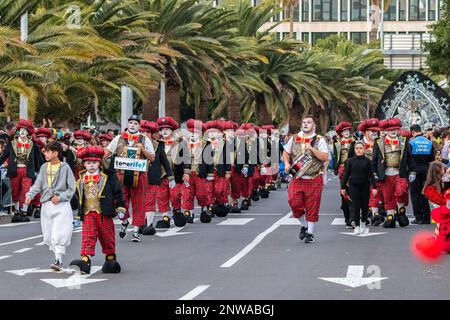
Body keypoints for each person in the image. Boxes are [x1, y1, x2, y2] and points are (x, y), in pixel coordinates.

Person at [69, 146, 125, 274]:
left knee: (107, 237)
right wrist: (78, 216)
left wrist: (120, 208)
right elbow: (79, 199)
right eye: (88, 163)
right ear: (84, 164)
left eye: (94, 162)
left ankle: (110, 259)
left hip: (105, 212)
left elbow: (118, 192)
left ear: (99, 163)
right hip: (88, 213)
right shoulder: (80, 179)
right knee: (87, 236)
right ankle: (85, 260)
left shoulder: (108, 176)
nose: (91, 165)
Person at [25, 141, 76, 271]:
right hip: (47, 205)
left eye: (47, 151)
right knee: (48, 234)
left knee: (59, 233)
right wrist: (30, 194)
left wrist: (60, 197)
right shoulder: (44, 167)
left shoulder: (65, 167)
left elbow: (72, 188)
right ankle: (57, 257)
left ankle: (58, 260)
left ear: (55, 153)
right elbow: (38, 184)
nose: (45, 154)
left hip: (61, 205)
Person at [104, 115, 155, 243]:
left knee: (139, 203)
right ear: (128, 124)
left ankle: (136, 232)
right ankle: (125, 221)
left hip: (140, 175)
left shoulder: (145, 139)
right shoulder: (119, 138)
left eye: (135, 123)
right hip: (121, 174)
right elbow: (107, 153)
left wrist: (143, 150)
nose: (132, 125)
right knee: (120, 202)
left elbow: (152, 158)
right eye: (131, 123)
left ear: (139, 126)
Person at [283, 115, 329, 243]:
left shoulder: (320, 140)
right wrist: (287, 163)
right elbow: (286, 153)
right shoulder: (294, 138)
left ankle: (310, 233)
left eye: (309, 122)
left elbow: (325, 157)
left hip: (314, 178)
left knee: (312, 206)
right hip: (297, 177)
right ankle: (304, 225)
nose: (305, 124)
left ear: (314, 125)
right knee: (294, 202)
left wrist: (312, 149)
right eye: (304, 122)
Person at [372, 118, 416, 228]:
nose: (393, 131)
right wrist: (374, 173)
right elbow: (374, 159)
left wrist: (413, 172)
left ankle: (401, 211)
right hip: (385, 174)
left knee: (401, 192)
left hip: (400, 173)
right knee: (388, 196)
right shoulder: (378, 142)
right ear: (385, 131)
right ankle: (390, 218)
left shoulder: (404, 141)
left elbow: (410, 158)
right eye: (390, 129)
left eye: (395, 129)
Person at [0, 119, 44, 222]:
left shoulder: (33, 144)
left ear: (28, 132)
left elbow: (38, 159)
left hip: (28, 171)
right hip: (15, 170)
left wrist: (40, 170)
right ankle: (17, 211)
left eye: (25, 130)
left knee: (25, 191)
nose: (22, 132)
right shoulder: (12, 143)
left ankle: (24, 212)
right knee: (15, 192)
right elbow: (4, 156)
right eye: (21, 130)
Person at [140, 120, 175, 235]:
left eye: (146, 132)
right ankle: (141, 222)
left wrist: (170, 176)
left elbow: (164, 161)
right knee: (140, 201)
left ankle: (149, 225)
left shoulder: (158, 145)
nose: (144, 135)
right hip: (137, 177)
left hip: (153, 177)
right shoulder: (133, 143)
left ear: (151, 134)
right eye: (142, 132)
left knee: (150, 201)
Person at [154, 116, 189, 228]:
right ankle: (165, 216)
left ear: (172, 131)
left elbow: (187, 158)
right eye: (162, 129)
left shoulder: (180, 143)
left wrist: (186, 172)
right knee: (162, 197)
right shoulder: (156, 143)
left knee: (175, 195)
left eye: (167, 129)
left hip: (175, 174)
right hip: (160, 176)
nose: (164, 131)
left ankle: (177, 210)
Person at [341, 141, 377, 235]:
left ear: (364, 149)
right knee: (356, 206)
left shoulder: (367, 161)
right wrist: (343, 187)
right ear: (354, 149)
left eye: (360, 148)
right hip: (353, 186)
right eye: (357, 148)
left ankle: (363, 223)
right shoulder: (350, 161)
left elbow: (371, 175)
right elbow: (346, 175)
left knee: (365, 206)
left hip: (365, 185)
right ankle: (357, 226)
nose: (359, 150)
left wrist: (374, 187)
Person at [182, 119, 214, 223]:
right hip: (187, 173)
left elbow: (210, 160)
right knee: (187, 193)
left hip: (200, 173)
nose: (192, 135)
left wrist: (210, 173)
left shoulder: (206, 144)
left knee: (202, 193)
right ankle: (188, 212)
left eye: (195, 133)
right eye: (190, 132)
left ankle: (204, 208)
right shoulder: (184, 144)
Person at [409, 124, 435, 224]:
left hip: (414, 171)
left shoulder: (411, 143)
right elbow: (432, 160)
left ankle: (418, 216)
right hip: (426, 171)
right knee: (425, 193)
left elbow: (409, 159)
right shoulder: (429, 143)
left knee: (415, 194)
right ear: (420, 130)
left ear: (412, 132)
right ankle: (426, 216)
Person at [333, 121, 353, 227]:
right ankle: (347, 217)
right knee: (344, 192)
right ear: (341, 132)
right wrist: (335, 168)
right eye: (344, 131)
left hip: (353, 169)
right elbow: (336, 156)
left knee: (353, 192)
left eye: (348, 130)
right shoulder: (337, 142)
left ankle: (352, 217)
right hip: (342, 169)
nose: (346, 132)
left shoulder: (355, 141)